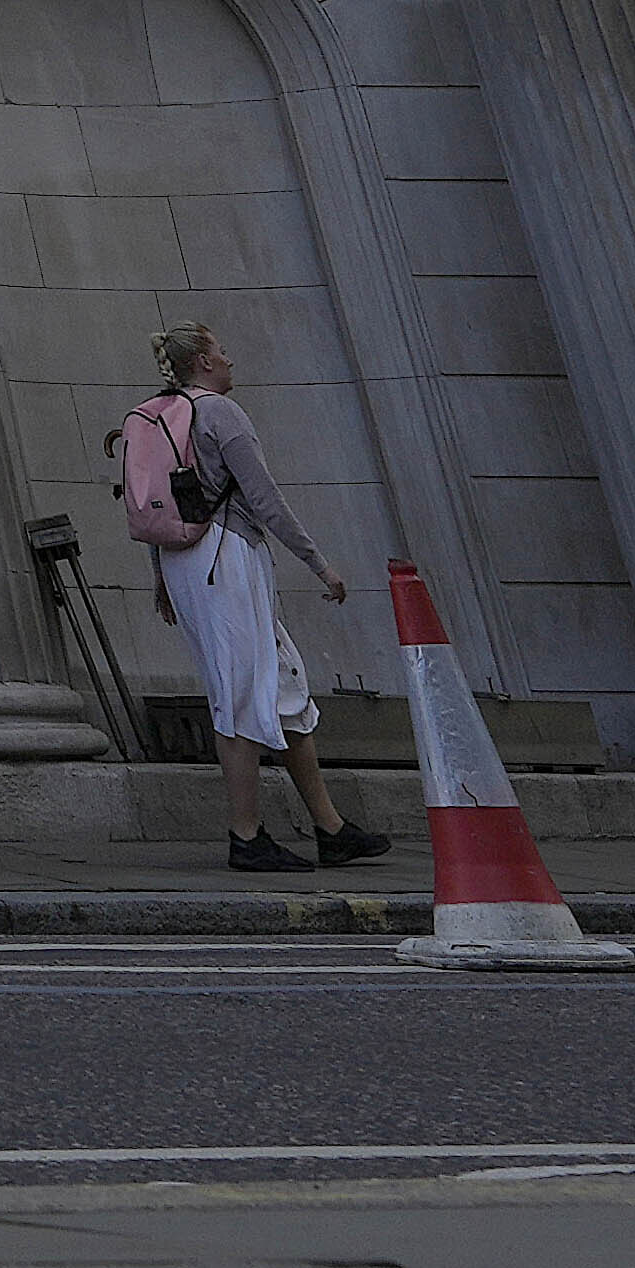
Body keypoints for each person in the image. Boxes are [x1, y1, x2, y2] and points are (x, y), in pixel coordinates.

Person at [127, 324, 381, 875]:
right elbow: (263, 496)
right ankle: (246, 836)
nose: (230, 358)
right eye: (221, 351)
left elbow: (158, 504)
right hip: (227, 557)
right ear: (200, 361)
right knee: (239, 694)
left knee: (283, 687)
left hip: (186, 561)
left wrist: (160, 579)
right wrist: (318, 562)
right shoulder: (219, 413)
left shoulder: (161, 415)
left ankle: (330, 828)